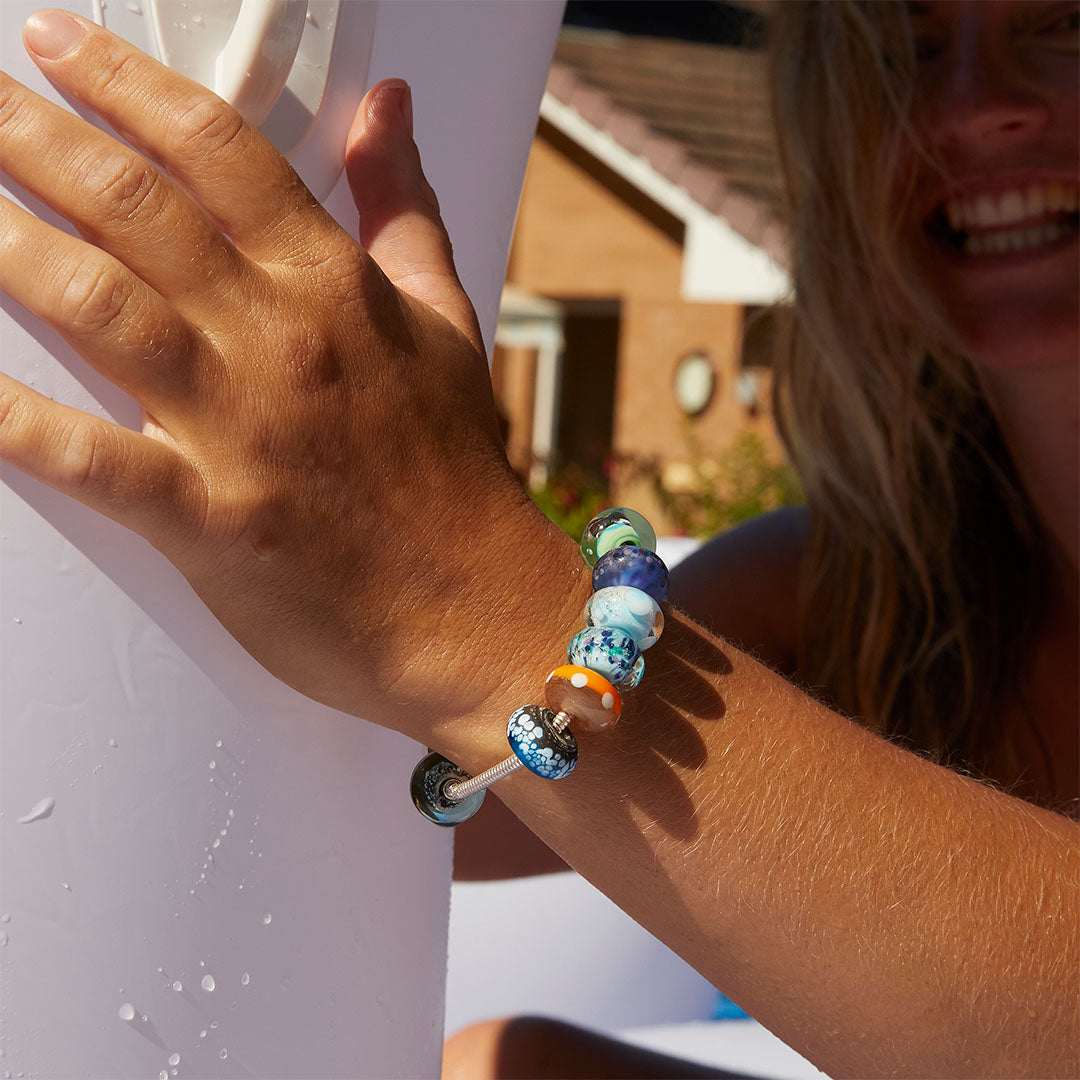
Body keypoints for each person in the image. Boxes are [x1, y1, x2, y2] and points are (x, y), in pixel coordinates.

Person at [0, 2, 1075, 1078]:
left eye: (1068, 27)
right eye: (906, 52)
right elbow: (399, 804)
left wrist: (470, 591)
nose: (976, 109)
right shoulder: (860, 599)